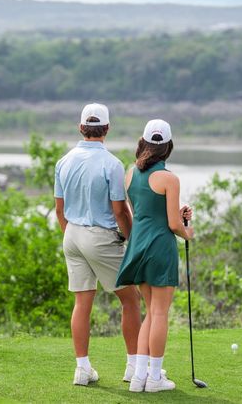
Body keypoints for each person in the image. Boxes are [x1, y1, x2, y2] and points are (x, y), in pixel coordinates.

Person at [54, 103, 142, 386]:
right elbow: (120, 211)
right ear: (106, 129)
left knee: (82, 301)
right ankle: (133, 367)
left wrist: (74, 236)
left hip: (72, 235)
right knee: (131, 299)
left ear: (81, 127)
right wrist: (132, 240)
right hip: (99, 236)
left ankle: (82, 369)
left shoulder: (63, 161)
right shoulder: (112, 163)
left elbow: (59, 210)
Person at [115, 119, 193, 393]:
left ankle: (139, 376)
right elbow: (173, 224)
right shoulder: (169, 178)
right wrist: (188, 232)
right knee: (159, 313)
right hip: (160, 246)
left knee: (151, 312)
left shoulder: (129, 173)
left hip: (138, 244)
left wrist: (173, 215)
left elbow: (143, 212)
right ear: (168, 146)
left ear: (143, 142)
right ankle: (155, 378)